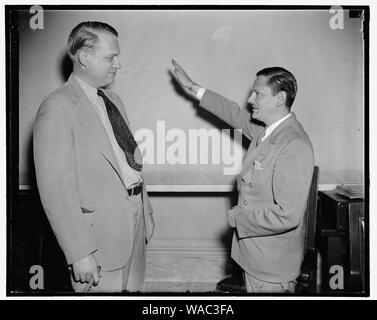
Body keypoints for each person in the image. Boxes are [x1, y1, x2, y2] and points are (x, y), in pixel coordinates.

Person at [172, 60, 314, 293]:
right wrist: (193, 87)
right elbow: (233, 113)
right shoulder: (268, 130)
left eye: (258, 93)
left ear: (280, 99)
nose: (250, 100)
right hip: (257, 257)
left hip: (271, 266)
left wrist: (238, 218)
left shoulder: (293, 144)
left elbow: (287, 215)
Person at [33, 21, 155, 293]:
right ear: (85, 57)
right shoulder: (57, 106)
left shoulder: (114, 100)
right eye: (111, 57)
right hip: (97, 238)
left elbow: (127, 162)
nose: (118, 64)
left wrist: (145, 211)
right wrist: (79, 252)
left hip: (134, 222)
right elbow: (56, 190)